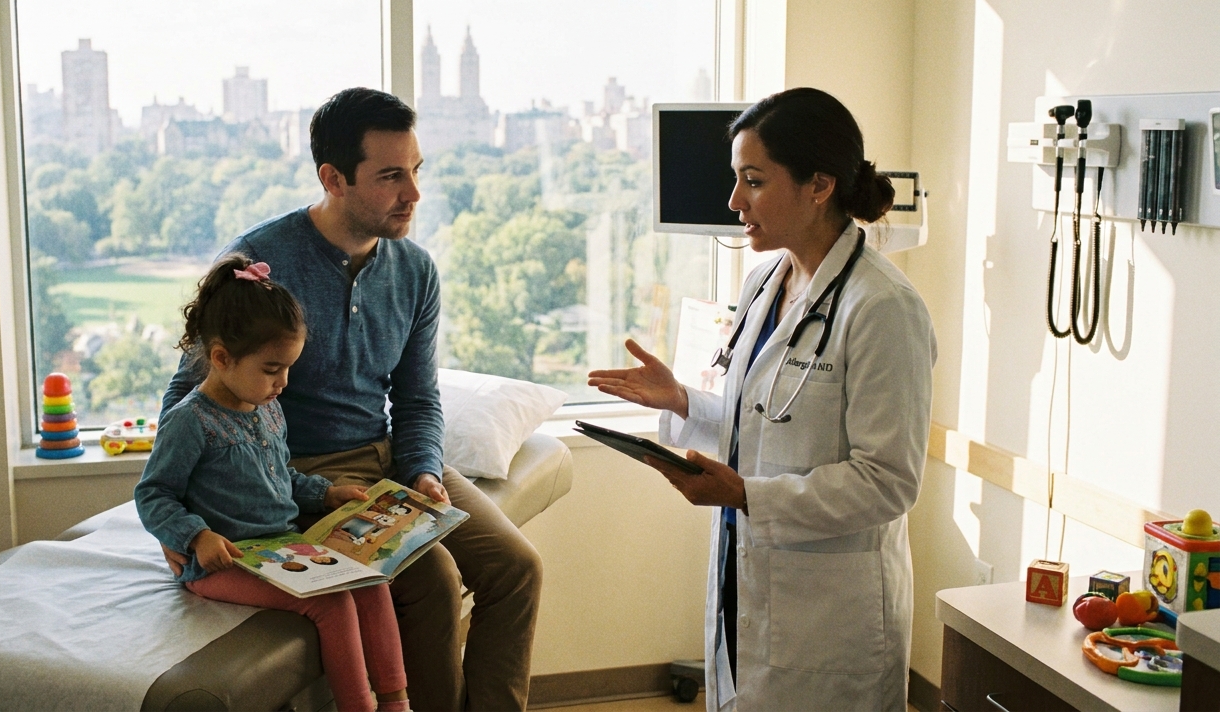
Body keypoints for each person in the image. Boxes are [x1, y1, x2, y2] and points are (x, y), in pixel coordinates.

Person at [161, 87, 542, 711]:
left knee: (515, 566)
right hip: (294, 471)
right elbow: (189, 392)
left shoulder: (415, 271)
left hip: (387, 460)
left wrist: (421, 467)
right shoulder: (261, 260)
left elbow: (417, 395)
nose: (413, 194)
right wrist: (181, 512)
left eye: (416, 171)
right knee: (436, 582)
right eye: (391, 176)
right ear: (333, 178)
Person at [588, 88, 936, 711]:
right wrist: (685, 403)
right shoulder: (763, 283)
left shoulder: (883, 307)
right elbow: (766, 425)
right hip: (745, 568)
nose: (733, 202)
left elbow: (889, 481)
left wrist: (748, 495)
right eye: (736, 179)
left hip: (831, 609)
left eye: (753, 180)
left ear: (819, 186)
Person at [136, 254, 409, 712]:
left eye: (288, 369)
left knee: (370, 579)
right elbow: (152, 493)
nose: (283, 382)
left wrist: (325, 493)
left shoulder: (266, 408)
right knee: (334, 604)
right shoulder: (191, 422)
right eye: (271, 370)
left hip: (279, 548)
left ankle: (397, 702)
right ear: (221, 358)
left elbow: (280, 476)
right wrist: (196, 536)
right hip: (224, 563)